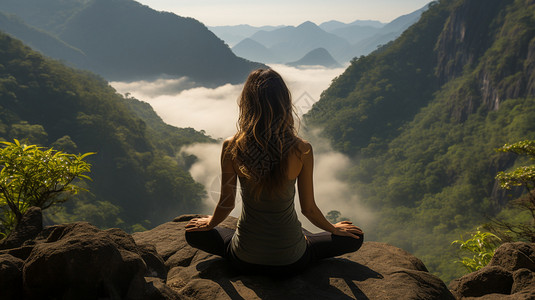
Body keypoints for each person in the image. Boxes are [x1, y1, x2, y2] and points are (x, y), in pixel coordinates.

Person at [185, 68, 363, 275]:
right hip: (292, 260)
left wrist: (210, 223)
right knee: (355, 237)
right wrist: (333, 229)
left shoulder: (232, 146)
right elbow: (309, 210)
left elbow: (226, 203)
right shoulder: (301, 149)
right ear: (284, 104)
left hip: (244, 258)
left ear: (247, 103)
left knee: (193, 233)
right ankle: (301, 239)